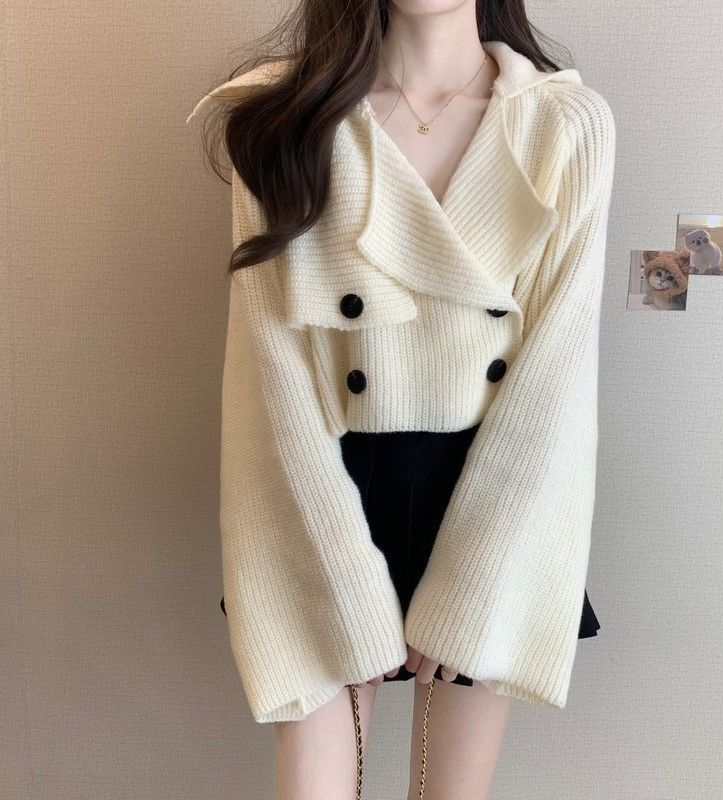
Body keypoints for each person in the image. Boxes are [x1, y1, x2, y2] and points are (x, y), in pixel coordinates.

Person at [187, 1, 615, 797]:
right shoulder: (280, 122)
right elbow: (268, 374)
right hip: (317, 492)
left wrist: (474, 583)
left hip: (494, 499)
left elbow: (555, 379)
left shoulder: (564, 125)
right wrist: (342, 582)